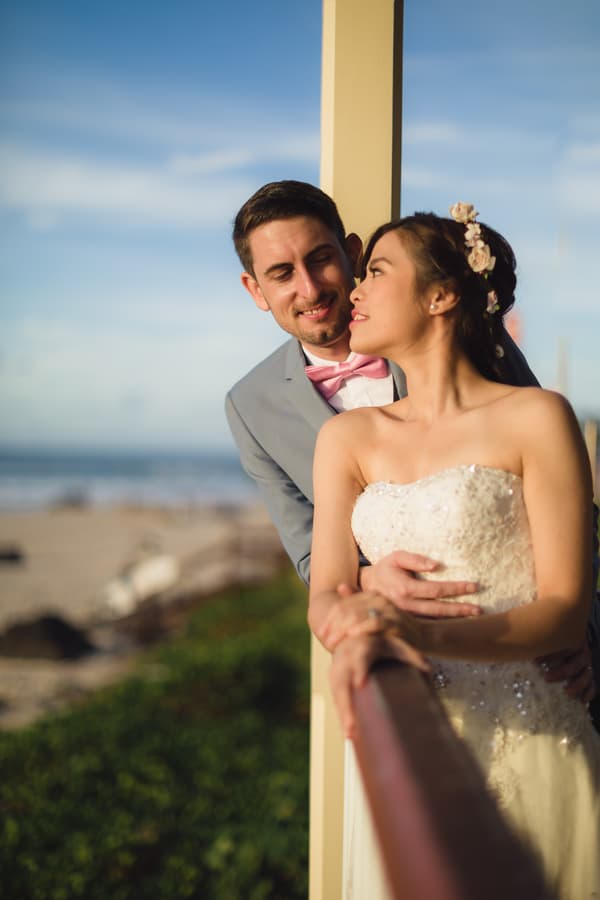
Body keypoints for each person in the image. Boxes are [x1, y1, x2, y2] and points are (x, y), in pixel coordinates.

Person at [308, 204, 600, 898]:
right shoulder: (346, 440)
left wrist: (412, 626)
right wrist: (348, 627)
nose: (354, 289)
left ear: (442, 295)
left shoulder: (538, 416)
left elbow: (564, 610)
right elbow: (325, 591)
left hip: (536, 733)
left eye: (375, 270)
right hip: (401, 728)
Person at [225, 180, 598, 711]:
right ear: (255, 290)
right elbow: (312, 555)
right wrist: (371, 591)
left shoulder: (468, 340)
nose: (309, 288)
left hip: (541, 668)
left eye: (322, 259)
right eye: (282, 274)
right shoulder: (251, 406)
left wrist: (582, 632)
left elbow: (566, 503)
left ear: (351, 253)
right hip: (406, 687)